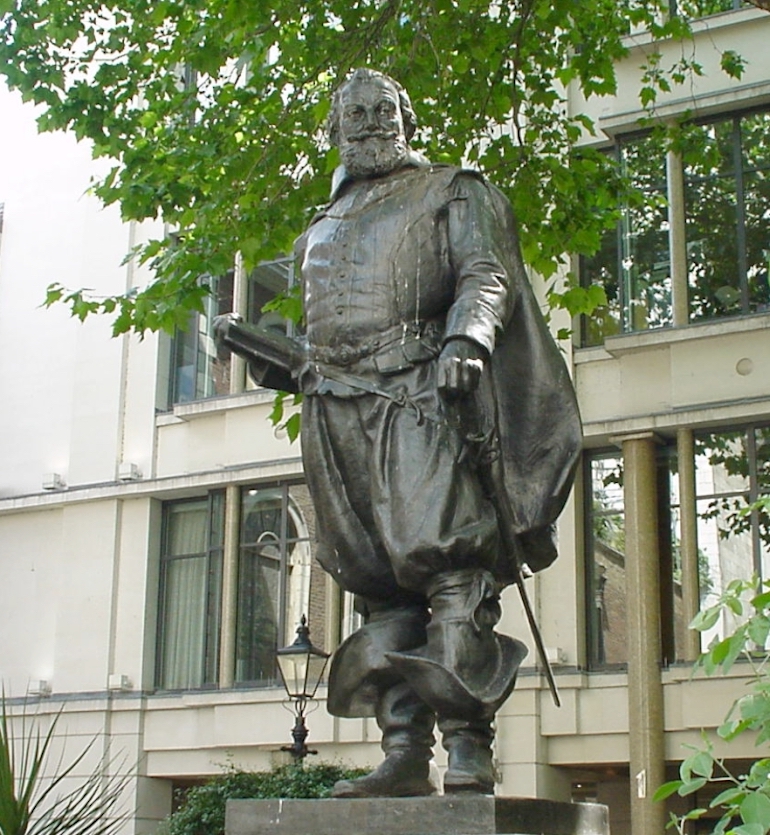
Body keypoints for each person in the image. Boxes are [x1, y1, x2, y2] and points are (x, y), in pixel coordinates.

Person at [218, 67, 581, 797]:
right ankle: (404, 749)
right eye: (354, 113)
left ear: (405, 118)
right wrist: (260, 350)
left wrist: (467, 342)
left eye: (384, 109)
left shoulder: (453, 189)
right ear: (334, 128)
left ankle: (468, 747)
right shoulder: (319, 225)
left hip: (417, 399)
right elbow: (316, 338)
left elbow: (487, 274)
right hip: (335, 413)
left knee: (446, 561)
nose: (369, 122)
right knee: (376, 580)